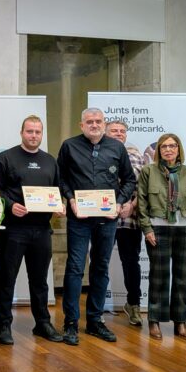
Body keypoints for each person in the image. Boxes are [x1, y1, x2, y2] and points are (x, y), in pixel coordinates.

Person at [57, 108, 136, 346]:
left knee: (100, 268)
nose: (94, 125)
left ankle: (94, 320)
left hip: (107, 219)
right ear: (81, 125)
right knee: (75, 268)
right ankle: (70, 323)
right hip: (78, 218)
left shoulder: (117, 148)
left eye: (98, 121)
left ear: (104, 124)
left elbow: (130, 179)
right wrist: (70, 198)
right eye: (89, 121)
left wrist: (120, 202)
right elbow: (60, 177)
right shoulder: (69, 146)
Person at [0, 115, 63, 345]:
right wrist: (11, 206)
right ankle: (4, 325)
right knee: (7, 278)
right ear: (22, 132)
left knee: (40, 280)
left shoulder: (50, 161)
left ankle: (42, 323)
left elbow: (57, 190)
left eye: (37, 132)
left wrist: (58, 206)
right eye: (30, 131)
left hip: (42, 229)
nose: (33, 136)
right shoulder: (6, 158)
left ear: (42, 134)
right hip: (13, 230)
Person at [137, 133, 186, 341]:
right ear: (158, 150)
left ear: (178, 149)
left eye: (172, 146)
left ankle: (180, 322)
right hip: (158, 230)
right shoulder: (149, 171)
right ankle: (154, 320)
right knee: (159, 276)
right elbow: (141, 202)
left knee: (182, 277)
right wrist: (147, 228)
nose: (168, 150)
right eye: (164, 146)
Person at [105, 120, 144, 327]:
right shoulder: (97, 153)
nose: (119, 134)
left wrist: (133, 205)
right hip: (103, 217)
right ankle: (97, 306)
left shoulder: (135, 154)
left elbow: (142, 186)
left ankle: (133, 304)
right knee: (99, 262)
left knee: (131, 263)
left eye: (122, 131)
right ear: (105, 132)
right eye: (114, 130)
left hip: (129, 219)